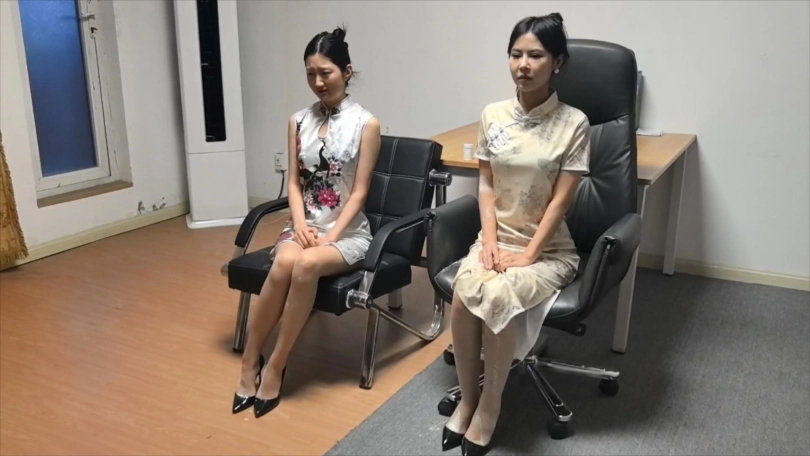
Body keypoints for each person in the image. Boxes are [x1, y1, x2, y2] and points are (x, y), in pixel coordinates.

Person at [442, 13, 589, 456]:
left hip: (547, 250)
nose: (523, 65)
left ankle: (490, 407)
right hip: (496, 238)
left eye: (536, 56)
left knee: (499, 295)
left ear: (557, 62)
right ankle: (468, 400)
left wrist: (527, 255)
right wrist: (488, 241)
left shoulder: (574, 123)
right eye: (515, 54)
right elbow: (486, 184)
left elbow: (560, 202)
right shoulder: (493, 115)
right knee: (463, 292)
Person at [232, 26, 380, 419]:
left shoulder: (366, 124)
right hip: (304, 224)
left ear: (346, 72)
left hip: (347, 233)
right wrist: (299, 224)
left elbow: (359, 193)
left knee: (307, 263)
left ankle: (276, 364)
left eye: (325, 73)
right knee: (285, 260)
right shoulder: (298, 120)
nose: (318, 82)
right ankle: (249, 360)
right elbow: (295, 183)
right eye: (310, 74)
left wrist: (331, 237)